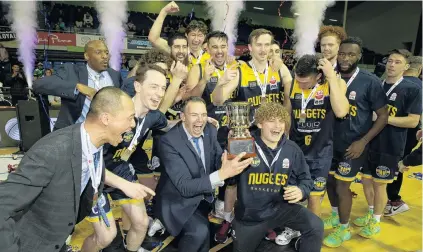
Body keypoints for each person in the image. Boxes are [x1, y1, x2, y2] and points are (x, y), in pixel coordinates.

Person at [0, 87, 155, 252]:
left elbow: (88, 169)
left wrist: (124, 185)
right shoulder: (52, 151)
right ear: (106, 119)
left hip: (58, 240)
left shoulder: (92, 146)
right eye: (130, 118)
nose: (132, 124)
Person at [211, 28, 293, 243]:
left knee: (265, 181)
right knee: (233, 180)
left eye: (268, 45)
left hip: (270, 136)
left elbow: (291, 96)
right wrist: (221, 82)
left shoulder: (278, 69)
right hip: (243, 135)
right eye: (259, 45)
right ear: (250, 48)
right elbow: (218, 100)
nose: (264, 49)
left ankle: (263, 221)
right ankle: (227, 219)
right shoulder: (240, 69)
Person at [154, 96, 253, 252]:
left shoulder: (210, 130)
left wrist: (235, 144)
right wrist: (221, 174)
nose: (200, 120)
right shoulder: (168, 142)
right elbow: (184, 187)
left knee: (204, 236)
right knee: (198, 233)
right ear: (182, 117)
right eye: (194, 115)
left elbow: (218, 163)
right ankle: (160, 221)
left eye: (203, 114)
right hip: (176, 202)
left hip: (203, 199)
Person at [322, 37, 389, 247]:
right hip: (329, 142)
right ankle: (335, 215)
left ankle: (344, 228)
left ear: (359, 56)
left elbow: (383, 116)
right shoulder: (328, 76)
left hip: (353, 145)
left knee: (342, 186)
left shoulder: (370, 81)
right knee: (330, 183)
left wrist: (363, 141)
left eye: (351, 54)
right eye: (342, 53)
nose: (345, 58)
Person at [278, 54, 349, 245]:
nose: (300, 85)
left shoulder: (335, 84)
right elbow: (287, 115)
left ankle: (311, 236)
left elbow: (342, 111)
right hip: (296, 150)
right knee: (292, 193)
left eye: (305, 81)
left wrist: (332, 78)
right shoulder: (291, 85)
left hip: (320, 151)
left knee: (314, 197)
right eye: (298, 81)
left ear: (318, 76)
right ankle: (292, 228)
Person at [231, 102, 322, 252]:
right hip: (251, 215)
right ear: (260, 123)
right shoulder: (244, 145)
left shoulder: (291, 149)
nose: (278, 126)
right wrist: (229, 153)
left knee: (315, 226)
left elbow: (306, 179)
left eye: (281, 121)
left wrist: (301, 191)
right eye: (271, 120)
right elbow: (228, 179)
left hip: (280, 209)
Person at [354, 49, 421, 238]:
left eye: (397, 62)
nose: (392, 65)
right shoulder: (376, 84)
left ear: (406, 67)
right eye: (390, 61)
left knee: (380, 184)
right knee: (366, 180)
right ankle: (371, 212)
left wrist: (384, 118)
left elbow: (413, 121)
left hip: (390, 145)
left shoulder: (412, 89)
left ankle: (376, 222)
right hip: (369, 142)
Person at [33, 40, 133, 130]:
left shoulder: (114, 75)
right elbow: (38, 85)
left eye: (106, 53)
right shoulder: (71, 71)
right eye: (98, 52)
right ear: (86, 56)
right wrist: (77, 87)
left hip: (105, 137)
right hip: (74, 136)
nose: (105, 56)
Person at [385, 55, 422, 216]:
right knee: (396, 164)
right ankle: (391, 200)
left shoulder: (394, 84)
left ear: (407, 66)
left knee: (395, 165)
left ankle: (393, 200)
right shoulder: (417, 85)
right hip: (409, 135)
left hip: (394, 132)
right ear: (419, 69)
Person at [148, 1, 210, 68]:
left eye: (200, 35)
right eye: (193, 35)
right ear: (186, 35)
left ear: (205, 37)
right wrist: (164, 11)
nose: (196, 39)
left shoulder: (210, 56)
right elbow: (153, 39)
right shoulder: (177, 51)